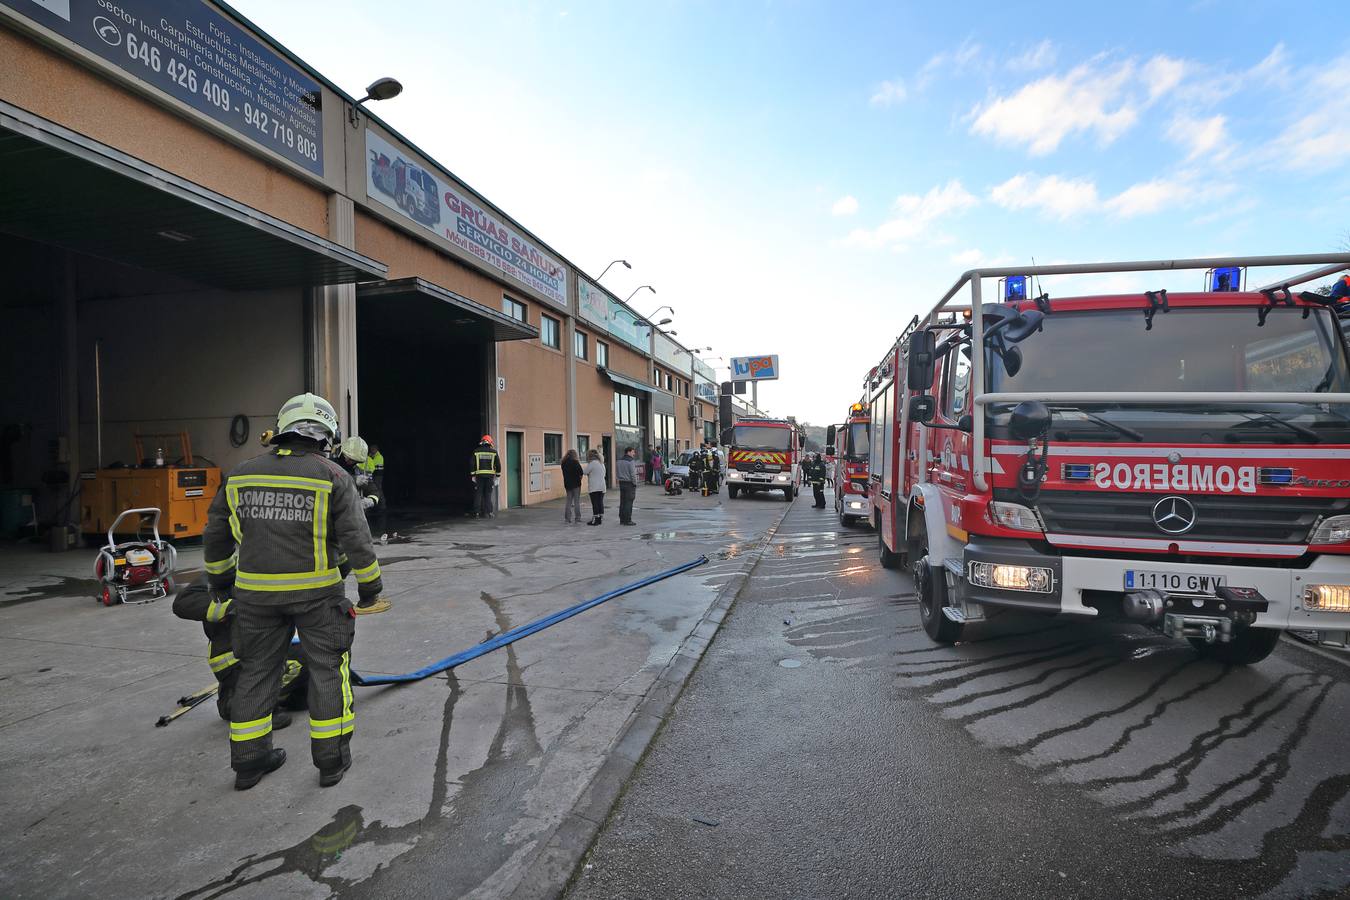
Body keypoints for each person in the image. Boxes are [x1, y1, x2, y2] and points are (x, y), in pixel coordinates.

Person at [203, 392, 384, 791]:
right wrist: (370, 588)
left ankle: (249, 762)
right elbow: (357, 538)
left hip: (254, 598)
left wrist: (220, 582)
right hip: (319, 596)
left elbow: (216, 536)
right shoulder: (333, 476)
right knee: (328, 672)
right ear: (328, 435)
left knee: (256, 672)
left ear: (282, 428)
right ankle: (331, 761)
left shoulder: (241, 473)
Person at [171, 574, 308, 725]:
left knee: (311, 655)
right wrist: (233, 609)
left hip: (267, 647)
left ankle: (279, 696)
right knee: (278, 663)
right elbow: (182, 603)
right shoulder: (223, 575)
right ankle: (240, 704)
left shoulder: (273, 569)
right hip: (234, 656)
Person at [359, 442, 389, 541]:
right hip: (371, 479)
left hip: (374, 479)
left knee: (377, 493)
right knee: (376, 493)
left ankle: (379, 506)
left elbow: (372, 468)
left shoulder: (375, 458)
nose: (372, 451)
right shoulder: (371, 459)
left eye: (373, 449)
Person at [471, 435, 501, 519]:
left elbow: (472, 464)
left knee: (478, 493)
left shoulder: (476, 451)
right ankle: (489, 512)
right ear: (490, 442)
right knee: (488, 494)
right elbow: (498, 465)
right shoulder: (494, 452)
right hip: (489, 476)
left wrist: (473, 475)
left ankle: (477, 513)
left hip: (479, 476)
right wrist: (498, 476)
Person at [616, 446, 639, 526]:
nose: (634, 454)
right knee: (629, 502)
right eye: (633, 452)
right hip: (629, 483)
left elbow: (617, 472)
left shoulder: (619, 461)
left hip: (621, 483)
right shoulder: (631, 461)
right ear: (628, 452)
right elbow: (633, 474)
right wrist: (635, 483)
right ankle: (628, 520)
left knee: (622, 501)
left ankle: (622, 519)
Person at [561, 448, 584, 524]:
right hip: (576, 484)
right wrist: (579, 478)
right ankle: (577, 518)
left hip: (567, 484)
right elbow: (581, 472)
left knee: (568, 501)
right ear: (575, 455)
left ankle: (567, 519)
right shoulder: (576, 462)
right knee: (576, 501)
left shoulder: (563, 463)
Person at [584, 448, 607, 525]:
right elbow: (604, 474)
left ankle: (596, 520)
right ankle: (600, 518)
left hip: (594, 486)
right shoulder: (601, 463)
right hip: (602, 485)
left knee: (595, 503)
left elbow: (585, 472)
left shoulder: (592, 463)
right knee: (600, 502)